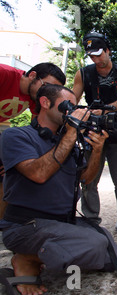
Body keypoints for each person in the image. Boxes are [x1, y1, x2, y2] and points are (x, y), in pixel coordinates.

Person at [0, 84, 117, 295]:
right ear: (45, 103)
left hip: (60, 222)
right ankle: (26, 259)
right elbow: (39, 174)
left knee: (108, 248)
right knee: (93, 245)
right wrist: (72, 132)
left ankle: (48, 253)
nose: (72, 112)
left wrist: (97, 150)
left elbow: (86, 179)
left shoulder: (68, 142)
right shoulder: (17, 136)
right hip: (24, 226)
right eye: (67, 106)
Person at [72, 32, 117, 235]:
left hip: (116, 131)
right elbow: (72, 99)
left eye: (98, 54)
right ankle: (90, 221)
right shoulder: (83, 73)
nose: (95, 59)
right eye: (91, 56)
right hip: (92, 131)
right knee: (88, 180)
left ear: (107, 50)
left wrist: (104, 109)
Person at [0, 62, 66, 219]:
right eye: (46, 86)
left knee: (7, 174)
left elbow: (38, 128)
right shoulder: (4, 74)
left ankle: (4, 224)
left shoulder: (36, 97)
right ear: (32, 76)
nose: (48, 93)